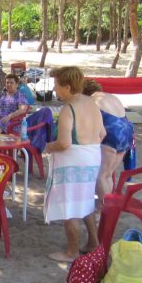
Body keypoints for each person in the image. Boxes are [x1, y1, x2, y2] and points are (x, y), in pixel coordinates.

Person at [44, 67, 106, 263]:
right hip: (93, 156)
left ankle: (72, 252)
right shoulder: (92, 103)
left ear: (67, 87)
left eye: (56, 85)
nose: (54, 89)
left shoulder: (67, 109)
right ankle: (93, 243)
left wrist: (49, 147)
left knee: (70, 204)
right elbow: (102, 134)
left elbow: (64, 143)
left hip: (73, 159)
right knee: (86, 201)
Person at [82, 79, 134, 204]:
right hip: (127, 132)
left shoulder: (92, 101)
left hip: (111, 134)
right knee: (108, 174)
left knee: (100, 175)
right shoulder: (110, 96)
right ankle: (108, 208)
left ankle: (104, 210)